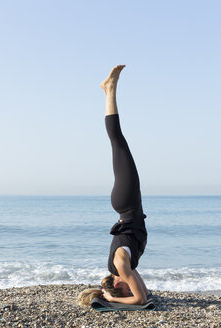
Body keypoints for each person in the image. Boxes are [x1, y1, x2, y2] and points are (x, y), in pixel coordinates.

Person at [78, 65, 149, 306]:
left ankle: (109, 89)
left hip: (127, 204)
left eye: (125, 290)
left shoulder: (120, 266)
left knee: (118, 141)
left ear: (119, 285)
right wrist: (114, 293)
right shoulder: (125, 268)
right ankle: (109, 89)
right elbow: (145, 294)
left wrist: (108, 296)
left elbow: (140, 299)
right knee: (119, 143)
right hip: (128, 206)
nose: (132, 288)